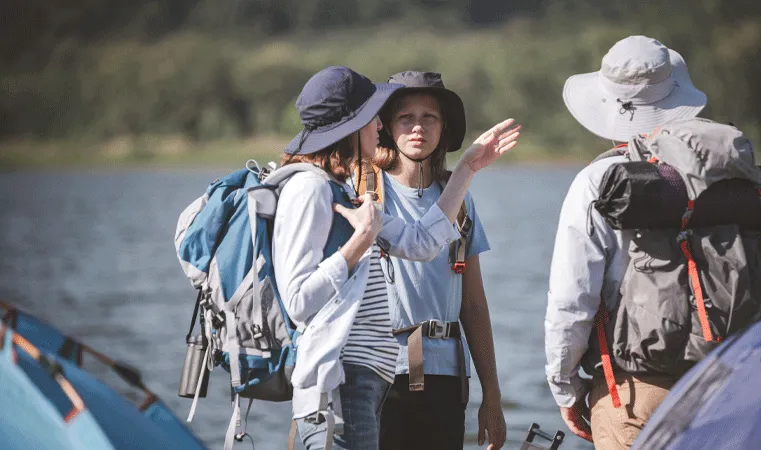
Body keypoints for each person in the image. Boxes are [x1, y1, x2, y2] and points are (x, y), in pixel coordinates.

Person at [273, 65, 520, 450]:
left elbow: (422, 245)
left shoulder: (347, 193)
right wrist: (358, 244)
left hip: (412, 375)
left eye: (429, 118)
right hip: (356, 377)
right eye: (390, 118)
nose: (380, 127)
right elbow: (299, 302)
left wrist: (469, 167)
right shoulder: (325, 190)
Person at [544, 36, 708, 449]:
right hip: (724, 382)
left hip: (634, 390)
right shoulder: (717, 174)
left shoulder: (598, 182)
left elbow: (571, 299)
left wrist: (565, 388)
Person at [362, 71, 507, 450]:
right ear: (386, 126)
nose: (417, 128)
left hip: (447, 380)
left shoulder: (459, 199)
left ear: (444, 129)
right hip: (379, 373)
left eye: (429, 117)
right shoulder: (365, 193)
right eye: (405, 117)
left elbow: (473, 304)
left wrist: (491, 394)